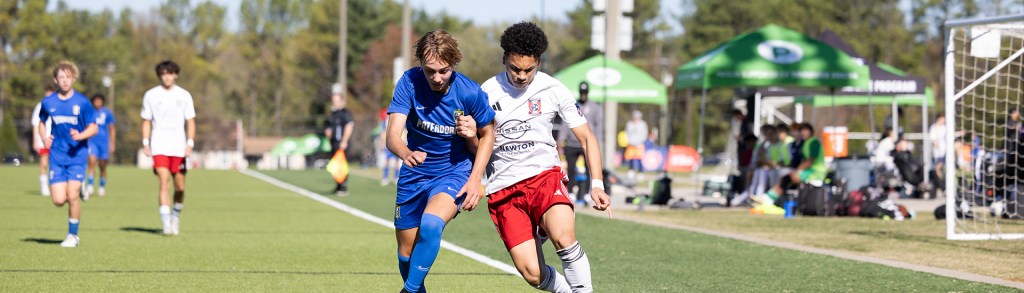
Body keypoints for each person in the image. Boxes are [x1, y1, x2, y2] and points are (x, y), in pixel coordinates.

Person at [470, 21, 610, 293]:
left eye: (529, 69)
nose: (522, 76)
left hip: (544, 178)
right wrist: (468, 137)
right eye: (515, 69)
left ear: (539, 62)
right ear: (504, 60)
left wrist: (597, 184)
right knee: (533, 274)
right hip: (504, 189)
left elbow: (587, 138)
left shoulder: (554, 89)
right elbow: (477, 147)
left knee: (564, 238)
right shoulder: (484, 92)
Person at [387, 29, 496, 293]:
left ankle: (408, 291)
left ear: (454, 63)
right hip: (414, 174)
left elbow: (488, 135)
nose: (436, 78)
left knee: (432, 224)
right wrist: (406, 153)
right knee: (406, 252)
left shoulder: (469, 92)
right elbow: (392, 135)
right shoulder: (409, 82)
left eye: (443, 71)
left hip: (453, 172)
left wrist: (475, 181)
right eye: (429, 71)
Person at [37, 61, 98, 247]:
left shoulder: (82, 102)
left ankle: (73, 236)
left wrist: (80, 136)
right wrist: (44, 137)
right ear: (56, 80)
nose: (65, 81)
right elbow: (41, 122)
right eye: (61, 77)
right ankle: (81, 187)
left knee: (72, 197)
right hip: (57, 157)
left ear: (74, 79)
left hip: (77, 157)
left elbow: (93, 128)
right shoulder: (48, 103)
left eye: (68, 77)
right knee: (58, 200)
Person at [141, 60, 197, 236]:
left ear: (175, 75)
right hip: (159, 146)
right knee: (163, 182)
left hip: (178, 147)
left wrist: (189, 144)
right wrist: (145, 142)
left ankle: (175, 216)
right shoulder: (150, 95)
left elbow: (191, 121)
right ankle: (166, 223)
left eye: (170, 73)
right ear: (160, 76)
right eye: (163, 73)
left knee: (179, 187)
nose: (167, 76)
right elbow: (146, 121)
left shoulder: (184, 95)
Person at [557, 81, 603, 205]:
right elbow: (565, 124)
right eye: (582, 92)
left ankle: (588, 193)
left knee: (590, 168)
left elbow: (598, 126)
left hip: (587, 143)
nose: (583, 95)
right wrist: (561, 140)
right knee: (571, 169)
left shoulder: (595, 107)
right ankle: (571, 192)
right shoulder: (573, 104)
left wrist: (595, 141)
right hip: (572, 142)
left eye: (585, 92)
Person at [760, 123, 826, 204]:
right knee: (787, 178)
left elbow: (809, 161)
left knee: (788, 178)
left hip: (815, 172)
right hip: (808, 171)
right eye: (801, 130)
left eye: (805, 131)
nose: (803, 133)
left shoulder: (813, 142)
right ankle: (770, 198)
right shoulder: (805, 143)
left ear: (811, 132)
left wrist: (797, 171)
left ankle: (770, 199)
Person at [86, 94, 116, 197]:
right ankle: (89, 186)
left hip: (104, 143)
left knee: (102, 166)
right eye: (95, 100)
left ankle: (102, 186)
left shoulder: (107, 113)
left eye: (99, 100)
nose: (97, 102)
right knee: (92, 162)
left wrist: (112, 143)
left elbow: (112, 128)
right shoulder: (90, 112)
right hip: (92, 141)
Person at [325, 93, 354, 195]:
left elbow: (349, 126)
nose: (335, 103)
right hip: (333, 143)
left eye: (336, 101)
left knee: (342, 165)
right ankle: (338, 185)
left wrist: (344, 141)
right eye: (333, 101)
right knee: (335, 165)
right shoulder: (333, 113)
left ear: (341, 101)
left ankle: (343, 187)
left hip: (341, 143)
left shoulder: (345, 113)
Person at [31, 85, 56, 196]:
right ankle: (44, 186)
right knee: (44, 163)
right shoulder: (40, 106)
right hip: (43, 139)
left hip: (56, 139)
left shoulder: (58, 105)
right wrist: (35, 141)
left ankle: (54, 186)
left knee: (55, 164)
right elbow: (36, 124)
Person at [624, 110, 648, 179]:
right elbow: (627, 133)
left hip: (639, 144)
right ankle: (631, 171)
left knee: (640, 159)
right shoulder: (629, 124)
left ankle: (641, 172)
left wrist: (641, 141)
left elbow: (644, 134)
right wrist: (628, 141)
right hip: (631, 144)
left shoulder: (643, 124)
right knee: (630, 158)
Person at [929, 114, 946, 182]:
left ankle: (941, 182)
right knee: (937, 168)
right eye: (942, 119)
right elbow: (932, 139)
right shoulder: (933, 128)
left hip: (944, 152)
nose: (944, 121)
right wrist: (935, 144)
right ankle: (939, 182)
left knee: (940, 167)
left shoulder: (944, 127)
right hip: (937, 153)